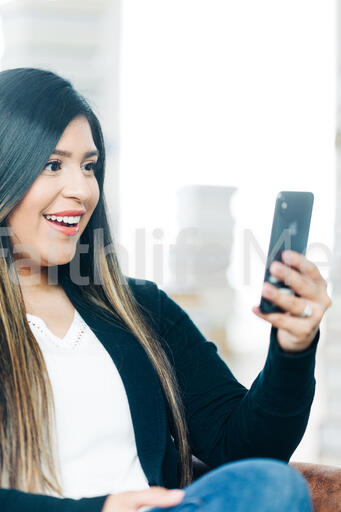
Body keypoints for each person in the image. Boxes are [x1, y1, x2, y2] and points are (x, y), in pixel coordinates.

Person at [0, 67, 331, 512]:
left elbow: (246, 449)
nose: (81, 189)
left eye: (89, 166)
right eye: (53, 165)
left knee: (275, 486)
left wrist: (293, 349)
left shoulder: (143, 310)